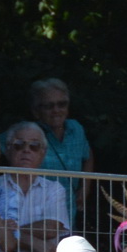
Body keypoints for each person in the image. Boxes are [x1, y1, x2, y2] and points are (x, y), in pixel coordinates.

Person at [0, 123, 71, 252]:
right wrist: (32, 241)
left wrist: (6, 231)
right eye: (19, 145)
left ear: (43, 152)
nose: (26, 150)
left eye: (34, 146)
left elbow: (52, 228)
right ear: (8, 149)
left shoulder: (54, 189)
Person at [28, 77, 93, 214]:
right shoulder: (27, 133)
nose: (56, 110)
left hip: (70, 212)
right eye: (49, 106)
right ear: (36, 111)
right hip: (36, 214)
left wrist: (84, 188)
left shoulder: (76, 129)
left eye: (61, 104)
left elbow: (88, 155)